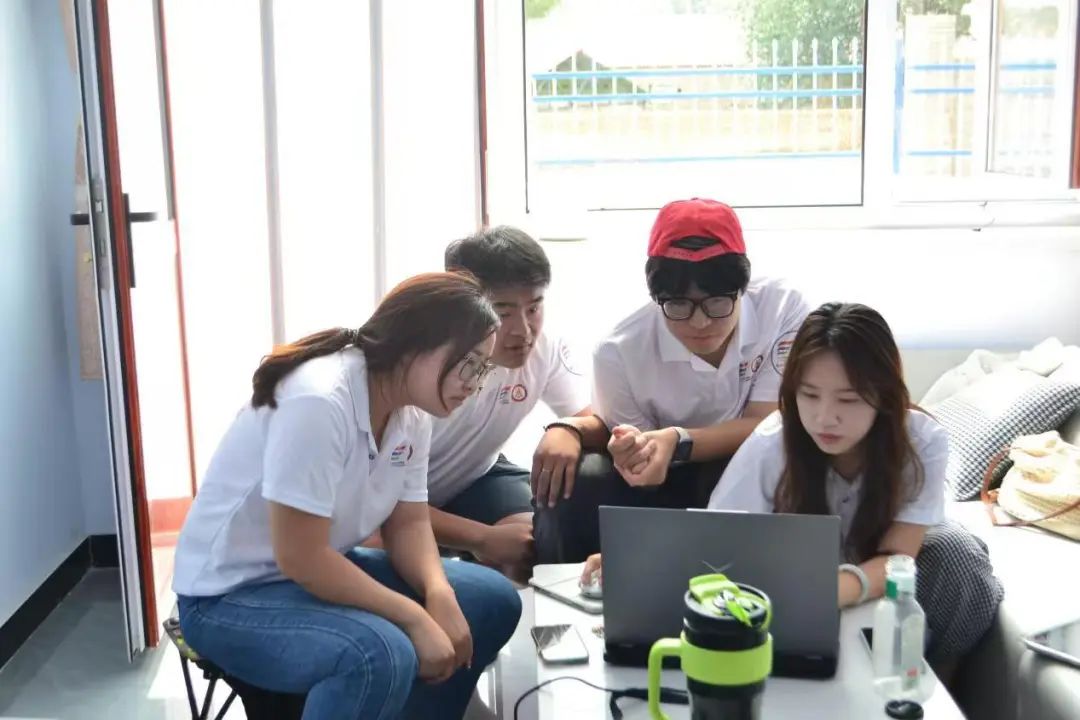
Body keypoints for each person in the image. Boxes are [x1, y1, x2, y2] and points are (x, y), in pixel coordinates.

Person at [172, 272, 522, 720]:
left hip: (311, 573)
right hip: (227, 596)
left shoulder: (411, 411)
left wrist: (439, 593)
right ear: (416, 345)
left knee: (491, 599)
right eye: (469, 364)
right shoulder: (319, 400)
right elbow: (302, 557)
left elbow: (408, 522)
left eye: (484, 368)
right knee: (379, 655)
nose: (475, 383)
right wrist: (414, 616)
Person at [582, 302, 1003, 670]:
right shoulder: (775, 439)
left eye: (848, 399)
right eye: (809, 395)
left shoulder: (922, 440)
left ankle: (935, 685)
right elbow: (718, 536)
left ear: (885, 396)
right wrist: (644, 563)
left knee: (957, 555)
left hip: (874, 576)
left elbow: (898, 559)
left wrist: (827, 591)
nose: (824, 417)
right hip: (799, 582)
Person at [534, 198, 810, 562]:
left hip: (752, 460)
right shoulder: (618, 353)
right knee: (581, 479)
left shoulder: (782, 308)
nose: (700, 322)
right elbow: (640, 460)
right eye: (678, 304)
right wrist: (635, 454)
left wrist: (679, 440)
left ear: (742, 288)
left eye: (717, 302)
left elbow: (770, 423)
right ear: (656, 297)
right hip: (667, 479)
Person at [425, 226, 607, 579]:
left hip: (475, 474)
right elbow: (382, 503)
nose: (523, 331)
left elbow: (598, 421)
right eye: (502, 312)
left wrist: (568, 429)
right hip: (395, 501)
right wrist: (482, 538)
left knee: (530, 546)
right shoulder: (425, 364)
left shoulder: (545, 348)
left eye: (534, 308)